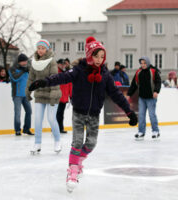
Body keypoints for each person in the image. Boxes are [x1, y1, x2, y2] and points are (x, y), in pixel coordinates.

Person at [28, 36, 137, 192]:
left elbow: (116, 94)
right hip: (79, 113)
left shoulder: (105, 75)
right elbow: (62, 77)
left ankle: (77, 163)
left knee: (91, 143)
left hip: (94, 114)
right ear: (89, 55)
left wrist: (129, 111)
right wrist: (44, 82)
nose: (99, 60)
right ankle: (72, 172)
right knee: (77, 142)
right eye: (96, 56)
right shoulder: (79, 70)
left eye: (102, 56)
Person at [26, 39, 62, 154]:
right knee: (37, 119)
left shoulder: (51, 62)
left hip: (52, 94)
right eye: (39, 48)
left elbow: (54, 78)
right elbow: (31, 78)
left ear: (47, 49)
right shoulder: (34, 62)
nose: (40, 50)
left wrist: (53, 94)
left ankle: (57, 141)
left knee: (51, 118)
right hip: (40, 94)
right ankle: (37, 143)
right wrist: (28, 90)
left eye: (42, 48)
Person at [127, 56, 161, 140]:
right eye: (141, 63)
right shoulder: (139, 72)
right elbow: (134, 84)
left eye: (144, 63)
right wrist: (129, 94)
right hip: (142, 98)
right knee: (141, 115)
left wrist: (156, 91)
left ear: (148, 63)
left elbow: (158, 82)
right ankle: (141, 132)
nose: (143, 65)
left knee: (152, 115)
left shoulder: (153, 71)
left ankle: (155, 131)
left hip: (151, 97)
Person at [8, 54, 33, 136]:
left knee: (29, 111)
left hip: (25, 94)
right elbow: (15, 78)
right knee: (18, 113)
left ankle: (26, 129)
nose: (26, 62)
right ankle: (17, 130)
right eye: (24, 61)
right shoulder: (12, 69)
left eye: (26, 61)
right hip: (17, 95)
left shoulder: (26, 70)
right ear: (20, 61)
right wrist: (23, 71)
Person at [56, 59, 72, 134]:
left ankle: (60, 128)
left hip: (64, 98)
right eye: (61, 64)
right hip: (57, 97)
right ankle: (57, 128)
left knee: (61, 114)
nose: (63, 65)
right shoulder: (56, 73)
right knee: (58, 114)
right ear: (58, 64)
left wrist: (71, 95)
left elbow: (70, 85)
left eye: (64, 64)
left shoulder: (66, 73)